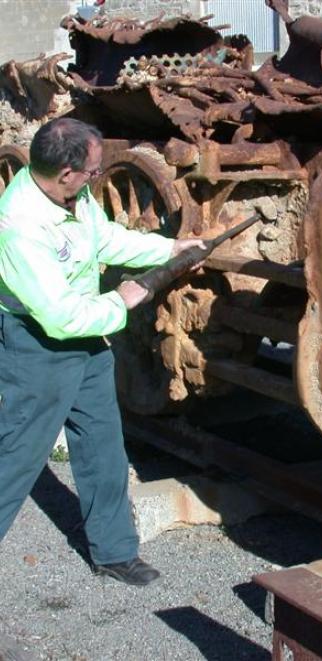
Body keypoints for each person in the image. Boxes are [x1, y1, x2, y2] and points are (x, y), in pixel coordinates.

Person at [0, 118, 204, 586]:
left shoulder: (72, 195)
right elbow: (61, 317)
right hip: (38, 345)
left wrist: (169, 248)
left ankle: (114, 552)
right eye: (93, 171)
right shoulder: (21, 227)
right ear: (66, 172)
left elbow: (105, 239)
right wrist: (121, 301)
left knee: (102, 445)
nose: (98, 177)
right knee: (17, 457)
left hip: (87, 341)